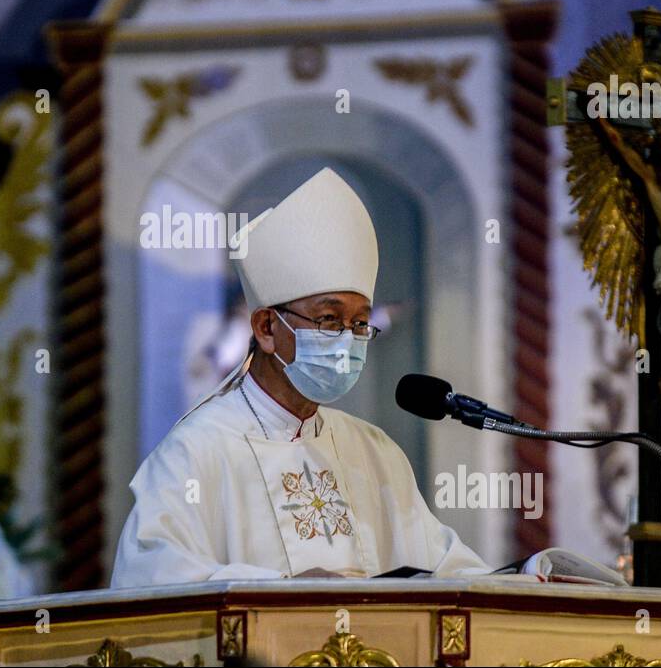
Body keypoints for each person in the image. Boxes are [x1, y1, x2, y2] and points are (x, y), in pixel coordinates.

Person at [111, 167, 491, 586]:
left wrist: (530, 577)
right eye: (329, 320)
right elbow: (149, 580)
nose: (347, 340)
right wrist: (284, 592)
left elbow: (448, 572)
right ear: (266, 329)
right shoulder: (195, 452)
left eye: (360, 323)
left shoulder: (374, 452)